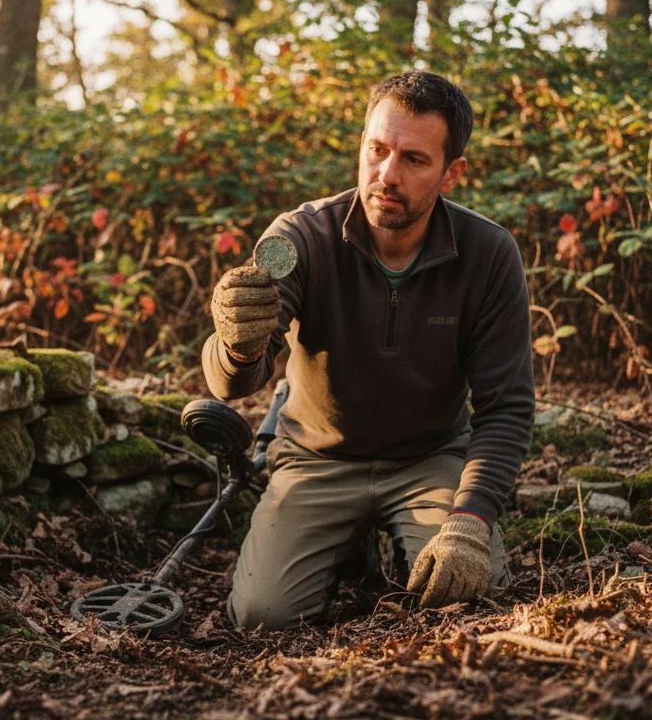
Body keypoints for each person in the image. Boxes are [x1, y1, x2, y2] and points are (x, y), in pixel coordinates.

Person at [202, 70, 535, 630]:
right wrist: (236, 343)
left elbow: (506, 408)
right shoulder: (299, 238)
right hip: (317, 459)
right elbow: (233, 383)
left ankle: (390, 540)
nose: (387, 175)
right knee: (261, 617)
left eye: (414, 159)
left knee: (467, 596)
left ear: (452, 172)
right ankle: (348, 548)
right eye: (376, 150)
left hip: (430, 458)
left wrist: (471, 520)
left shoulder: (489, 254)